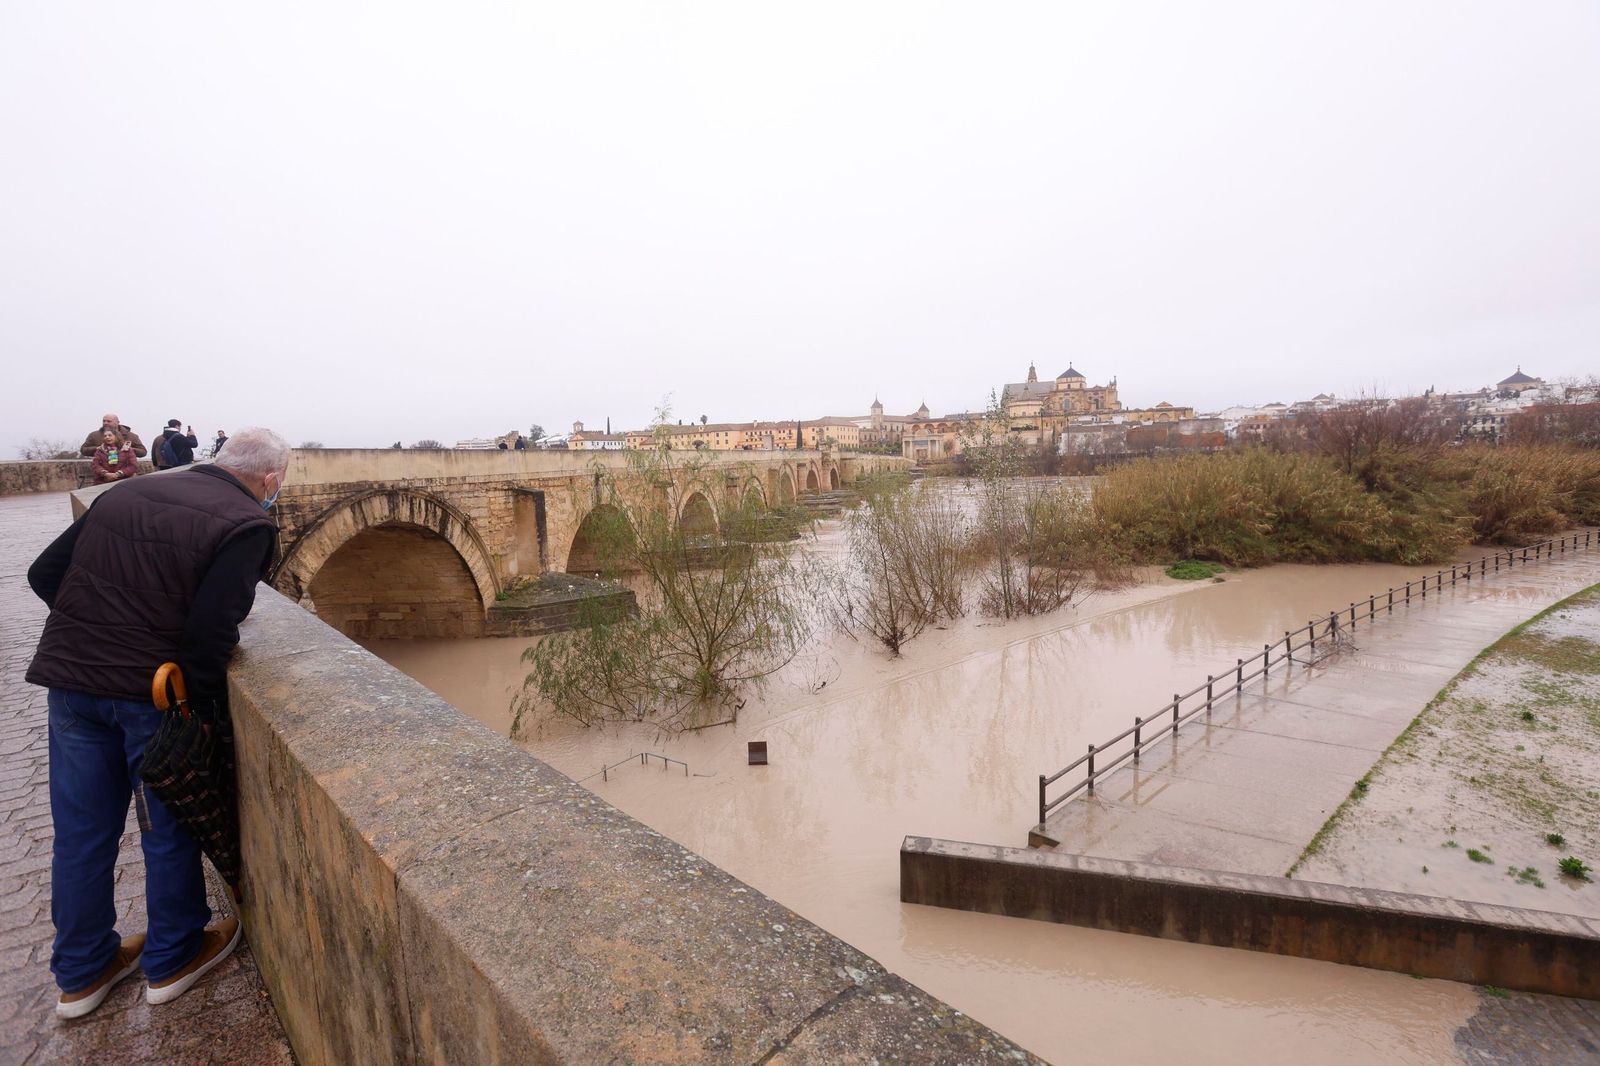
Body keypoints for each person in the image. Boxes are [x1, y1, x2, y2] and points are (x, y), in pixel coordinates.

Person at [26, 427, 289, 1019]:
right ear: (269, 481)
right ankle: (173, 956)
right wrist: (207, 726)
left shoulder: (124, 495)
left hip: (70, 686)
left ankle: (82, 972)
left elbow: (46, 575)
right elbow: (209, 639)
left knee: (82, 834)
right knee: (165, 828)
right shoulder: (248, 524)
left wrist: (100, 637)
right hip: (149, 695)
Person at [78, 413, 147, 460]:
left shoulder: (131, 436)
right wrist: (97, 449)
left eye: (109, 421)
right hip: (103, 471)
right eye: (104, 421)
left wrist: (129, 449)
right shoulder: (94, 435)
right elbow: (83, 450)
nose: (105, 423)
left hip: (125, 471)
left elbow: (143, 452)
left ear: (117, 422)